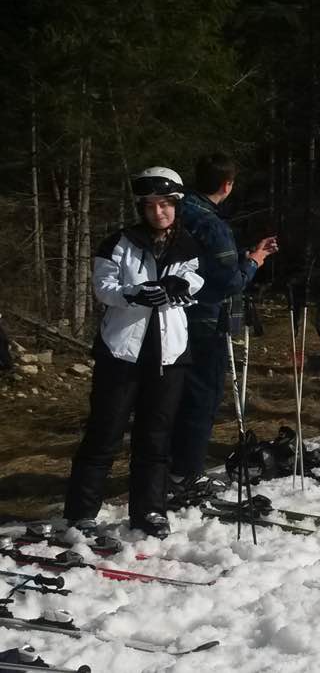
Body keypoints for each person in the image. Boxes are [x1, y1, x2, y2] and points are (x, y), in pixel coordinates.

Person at [64, 167, 204, 538]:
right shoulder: (119, 242)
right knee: (104, 433)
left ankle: (150, 511)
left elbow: (196, 279)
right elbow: (103, 287)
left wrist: (179, 286)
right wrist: (135, 293)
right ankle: (80, 513)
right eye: (151, 205)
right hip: (121, 353)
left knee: (156, 437)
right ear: (141, 208)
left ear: (176, 204)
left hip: (170, 354)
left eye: (165, 204)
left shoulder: (187, 244)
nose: (159, 212)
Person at [169, 153, 277, 502]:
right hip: (205, 319)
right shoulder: (210, 223)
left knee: (173, 396)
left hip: (171, 319)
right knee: (202, 397)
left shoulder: (174, 211)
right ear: (227, 185)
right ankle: (186, 475)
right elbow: (229, 281)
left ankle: (169, 468)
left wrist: (243, 256)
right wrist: (254, 263)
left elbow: (206, 264)